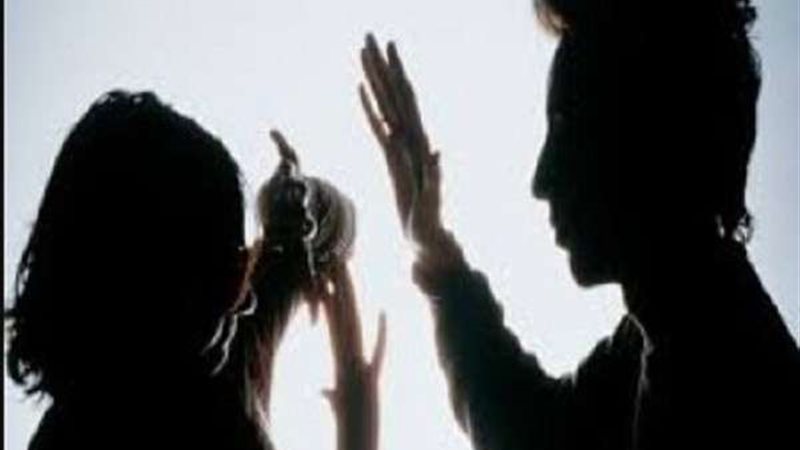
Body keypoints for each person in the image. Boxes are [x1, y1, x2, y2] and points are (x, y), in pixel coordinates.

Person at [357, 0, 800, 448]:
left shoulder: (728, 375)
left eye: (569, 128)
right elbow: (533, 429)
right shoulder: (670, 337)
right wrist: (435, 248)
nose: (541, 180)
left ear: (657, 133)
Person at [5, 91, 383, 450]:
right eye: (232, 271)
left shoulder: (113, 389)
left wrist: (288, 231)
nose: (244, 300)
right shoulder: (211, 419)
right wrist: (358, 423)